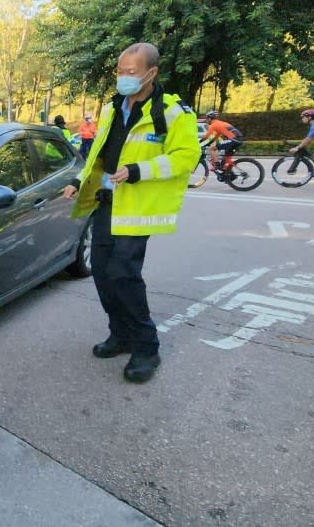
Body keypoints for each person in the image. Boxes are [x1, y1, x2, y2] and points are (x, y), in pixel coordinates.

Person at [63, 42, 200, 383]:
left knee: (124, 275)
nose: (123, 78)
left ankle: (146, 347)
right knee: (103, 274)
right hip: (106, 203)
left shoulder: (173, 113)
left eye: (131, 73)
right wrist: (78, 180)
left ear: (151, 73)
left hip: (137, 208)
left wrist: (140, 170)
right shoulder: (112, 108)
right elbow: (98, 153)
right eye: (120, 72)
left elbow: (187, 156)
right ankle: (120, 334)